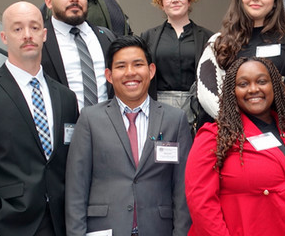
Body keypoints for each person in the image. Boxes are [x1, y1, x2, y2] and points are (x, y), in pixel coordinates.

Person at [0, 2, 79, 236]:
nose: (27, 35)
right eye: (17, 29)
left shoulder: (67, 98)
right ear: (4, 37)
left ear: (44, 34)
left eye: (34, 27)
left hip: (60, 225)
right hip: (7, 224)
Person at [186, 57, 285, 236]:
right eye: (243, 84)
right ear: (232, 92)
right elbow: (201, 204)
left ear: (274, 87)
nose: (254, 89)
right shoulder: (214, 137)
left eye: (262, 81)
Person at [65, 35, 192, 235]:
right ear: (109, 75)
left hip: (158, 229)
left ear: (151, 71)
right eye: (121, 66)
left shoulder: (175, 120)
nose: (130, 73)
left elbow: (183, 188)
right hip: (104, 228)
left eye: (138, 64)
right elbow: (76, 189)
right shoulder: (90, 119)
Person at [196, 0, 285, 122]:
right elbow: (208, 92)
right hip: (231, 134)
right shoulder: (218, 43)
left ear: (275, 1)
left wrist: (271, 124)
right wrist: (238, 124)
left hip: (280, 134)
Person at [141, 0, 214, 125]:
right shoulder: (148, 37)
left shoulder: (208, 38)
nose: (174, 0)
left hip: (198, 110)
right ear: (161, 3)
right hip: (159, 109)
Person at [42, 0, 116, 111]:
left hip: (107, 127)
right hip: (63, 128)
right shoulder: (40, 40)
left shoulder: (107, 37)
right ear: (49, 2)